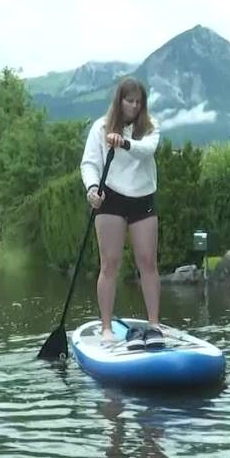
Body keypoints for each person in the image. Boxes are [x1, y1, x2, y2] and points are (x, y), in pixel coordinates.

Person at [80, 77, 162, 345]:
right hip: (110, 197)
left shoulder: (150, 127)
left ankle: (154, 325)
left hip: (142, 197)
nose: (134, 106)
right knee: (110, 263)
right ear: (119, 101)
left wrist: (124, 143)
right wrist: (93, 188)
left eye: (139, 102)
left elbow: (147, 151)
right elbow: (89, 163)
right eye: (130, 101)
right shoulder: (100, 127)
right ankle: (106, 328)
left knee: (148, 261)